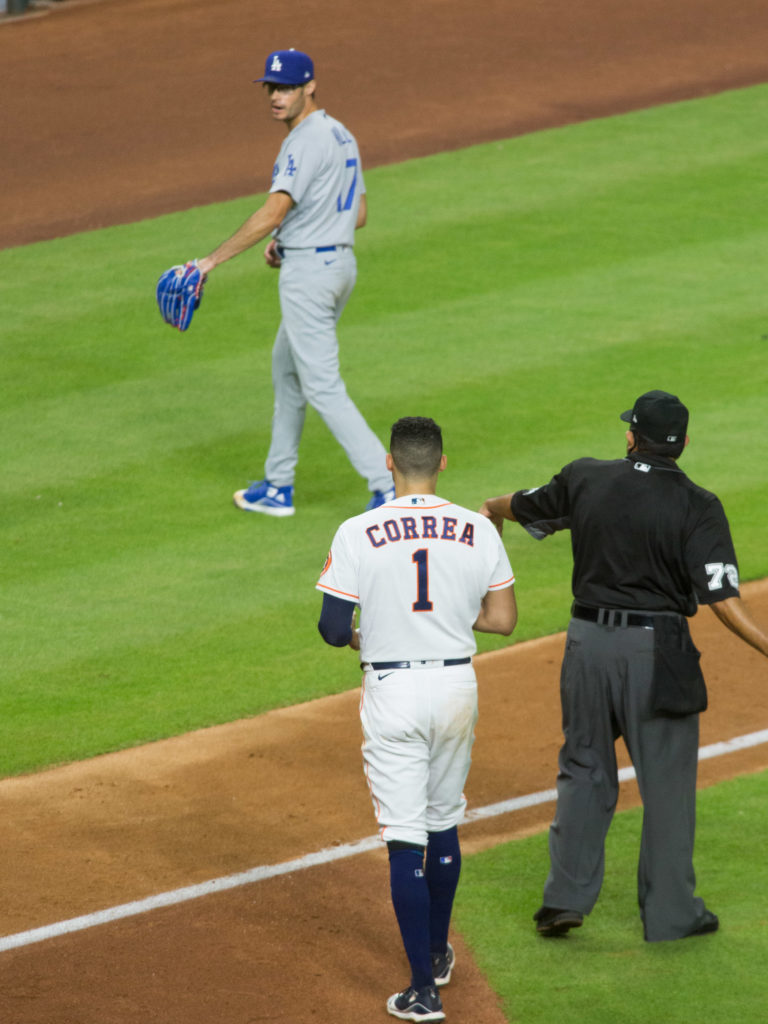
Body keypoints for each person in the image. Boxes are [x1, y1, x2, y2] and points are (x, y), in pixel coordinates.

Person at [480, 389, 768, 943]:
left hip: (586, 645)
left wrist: (490, 511)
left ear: (632, 435)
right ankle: (671, 915)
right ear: (681, 443)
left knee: (583, 769)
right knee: (666, 784)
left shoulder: (586, 477)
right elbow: (721, 596)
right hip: (655, 653)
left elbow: (515, 505)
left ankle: (563, 899)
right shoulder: (697, 504)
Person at [317, 417, 517, 1021]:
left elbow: (332, 629)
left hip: (393, 687)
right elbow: (503, 619)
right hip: (456, 683)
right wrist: (454, 617)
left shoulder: (358, 529)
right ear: (442, 463)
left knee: (405, 837)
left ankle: (422, 993)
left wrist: (365, 632)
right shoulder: (478, 529)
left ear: (389, 462)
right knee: (443, 821)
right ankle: (435, 954)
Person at [192, 48, 394, 516]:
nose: (276, 96)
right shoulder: (341, 134)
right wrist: (291, 239)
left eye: (286, 87)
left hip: (309, 276)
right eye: (271, 87)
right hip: (338, 266)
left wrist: (211, 261)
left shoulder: (303, 140)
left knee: (322, 385)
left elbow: (273, 211)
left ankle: (387, 487)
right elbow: (357, 215)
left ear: (310, 86)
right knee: (287, 369)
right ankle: (279, 484)